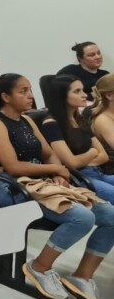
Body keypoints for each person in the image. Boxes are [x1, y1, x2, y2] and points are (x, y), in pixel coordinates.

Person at [0, 74, 114, 299]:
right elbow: (13, 167)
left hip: (41, 182)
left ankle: (82, 276)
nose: (30, 95)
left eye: (30, 90)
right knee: (82, 217)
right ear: (5, 97)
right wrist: (56, 169)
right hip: (14, 187)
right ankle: (39, 267)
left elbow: (49, 153)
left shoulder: (27, 120)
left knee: (111, 216)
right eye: (23, 91)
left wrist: (57, 174)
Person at [41, 76, 114, 204]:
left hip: (99, 172)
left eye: (82, 90)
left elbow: (103, 156)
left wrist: (83, 160)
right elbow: (72, 163)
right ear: (62, 96)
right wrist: (92, 152)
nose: (84, 95)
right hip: (80, 179)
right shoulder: (51, 124)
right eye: (77, 91)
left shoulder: (80, 120)